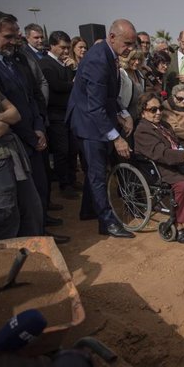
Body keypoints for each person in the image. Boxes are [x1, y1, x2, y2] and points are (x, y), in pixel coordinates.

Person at [66, 18, 136, 238]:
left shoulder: (111, 55)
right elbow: (95, 106)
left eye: (132, 44)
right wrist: (116, 138)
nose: (130, 49)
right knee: (97, 173)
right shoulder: (98, 59)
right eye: (127, 43)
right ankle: (107, 222)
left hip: (99, 117)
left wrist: (123, 113)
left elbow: (109, 96)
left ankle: (88, 210)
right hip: (88, 123)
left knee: (96, 171)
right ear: (112, 38)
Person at [0, 28, 43, 240]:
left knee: (30, 212)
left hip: (10, 155)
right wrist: (1, 120)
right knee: (4, 223)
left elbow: (14, 114)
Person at [134, 92, 184, 243]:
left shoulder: (164, 125)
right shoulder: (142, 130)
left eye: (159, 109)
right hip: (159, 168)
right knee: (182, 186)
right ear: (143, 112)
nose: (158, 113)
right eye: (153, 110)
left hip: (176, 163)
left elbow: (176, 144)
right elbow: (161, 153)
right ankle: (180, 225)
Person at [39, 30, 80, 201]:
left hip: (68, 113)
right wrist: (73, 83)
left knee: (72, 149)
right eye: (62, 48)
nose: (65, 51)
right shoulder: (46, 64)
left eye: (67, 48)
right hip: (56, 115)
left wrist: (72, 71)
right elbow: (56, 86)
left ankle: (71, 179)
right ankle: (64, 184)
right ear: (53, 45)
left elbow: (68, 85)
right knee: (61, 151)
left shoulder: (64, 64)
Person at [118, 48, 145, 121]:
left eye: (139, 59)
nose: (137, 62)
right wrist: (125, 116)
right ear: (126, 59)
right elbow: (118, 99)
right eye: (133, 59)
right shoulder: (121, 73)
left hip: (138, 117)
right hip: (126, 118)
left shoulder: (139, 73)